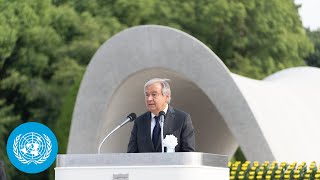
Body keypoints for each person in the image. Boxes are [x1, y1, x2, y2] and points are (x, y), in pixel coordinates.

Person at [127, 78, 195, 153]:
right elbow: (131, 154)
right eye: (147, 95)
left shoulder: (182, 119)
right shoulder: (139, 122)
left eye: (154, 94)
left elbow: (188, 154)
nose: (149, 99)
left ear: (167, 97)